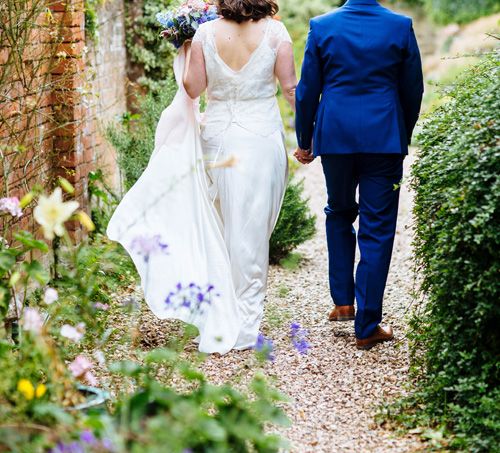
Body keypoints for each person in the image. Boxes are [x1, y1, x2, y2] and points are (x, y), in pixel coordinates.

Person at [107, 0, 296, 354]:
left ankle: (219, 316)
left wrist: (186, 49)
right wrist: (311, 134)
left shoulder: (206, 33)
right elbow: (289, 89)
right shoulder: (275, 31)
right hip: (260, 140)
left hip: (218, 139)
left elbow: (193, 89)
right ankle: (244, 324)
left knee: (218, 228)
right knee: (252, 232)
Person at [294, 0, 424, 350]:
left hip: (335, 135)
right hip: (384, 137)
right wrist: (401, 133)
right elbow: (413, 89)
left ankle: (343, 301)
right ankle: (367, 324)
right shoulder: (400, 26)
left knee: (338, 210)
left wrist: (305, 140)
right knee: (377, 227)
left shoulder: (322, 26)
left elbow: (307, 90)